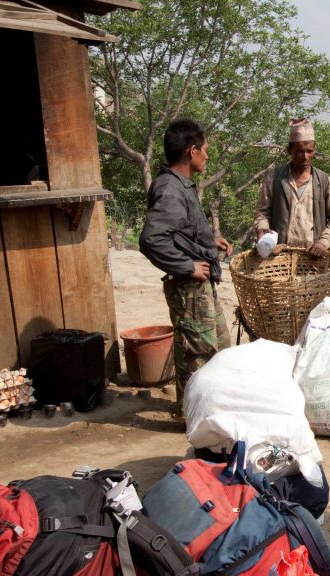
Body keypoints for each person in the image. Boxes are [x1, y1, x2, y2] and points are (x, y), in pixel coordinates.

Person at [138, 118, 232, 418]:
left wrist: (208, 242)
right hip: (190, 288)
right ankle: (195, 418)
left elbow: (180, 231)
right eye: (204, 149)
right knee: (198, 355)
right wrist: (188, 265)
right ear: (191, 151)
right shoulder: (170, 189)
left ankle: (204, 412)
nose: (207, 155)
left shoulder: (181, 185)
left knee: (217, 350)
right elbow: (152, 239)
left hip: (201, 287)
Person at [253, 118, 330, 256]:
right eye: (300, 151)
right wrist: (262, 229)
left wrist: (323, 242)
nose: (305, 157)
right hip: (278, 256)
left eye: (309, 151)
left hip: (312, 259)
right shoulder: (274, 178)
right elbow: (262, 212)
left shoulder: (325, 182)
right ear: (290, 150)